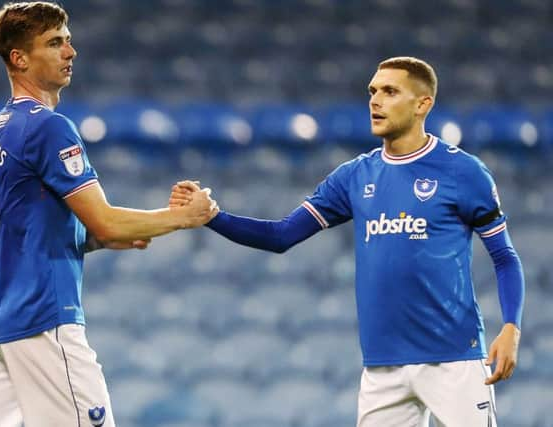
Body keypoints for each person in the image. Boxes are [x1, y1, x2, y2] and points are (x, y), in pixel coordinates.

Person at [172, 57, 525, 427]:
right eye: (372, 91)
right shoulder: (354, 176)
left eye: (390, 91)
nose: (375, 101)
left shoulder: (464, 172)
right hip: (382, 367)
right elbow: (280, 236)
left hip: (454, 359)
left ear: (423, 104)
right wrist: (213, 217)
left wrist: (511, 328)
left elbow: (504, 256)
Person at [0, 2, 217, 427]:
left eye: (68, 40)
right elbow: (104, 218)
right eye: (54, 43)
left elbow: (23, 227)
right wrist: (185, 216)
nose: (70, 52)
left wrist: (92, 239)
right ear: (19, 58)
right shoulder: (48, 127)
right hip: (43, 321)